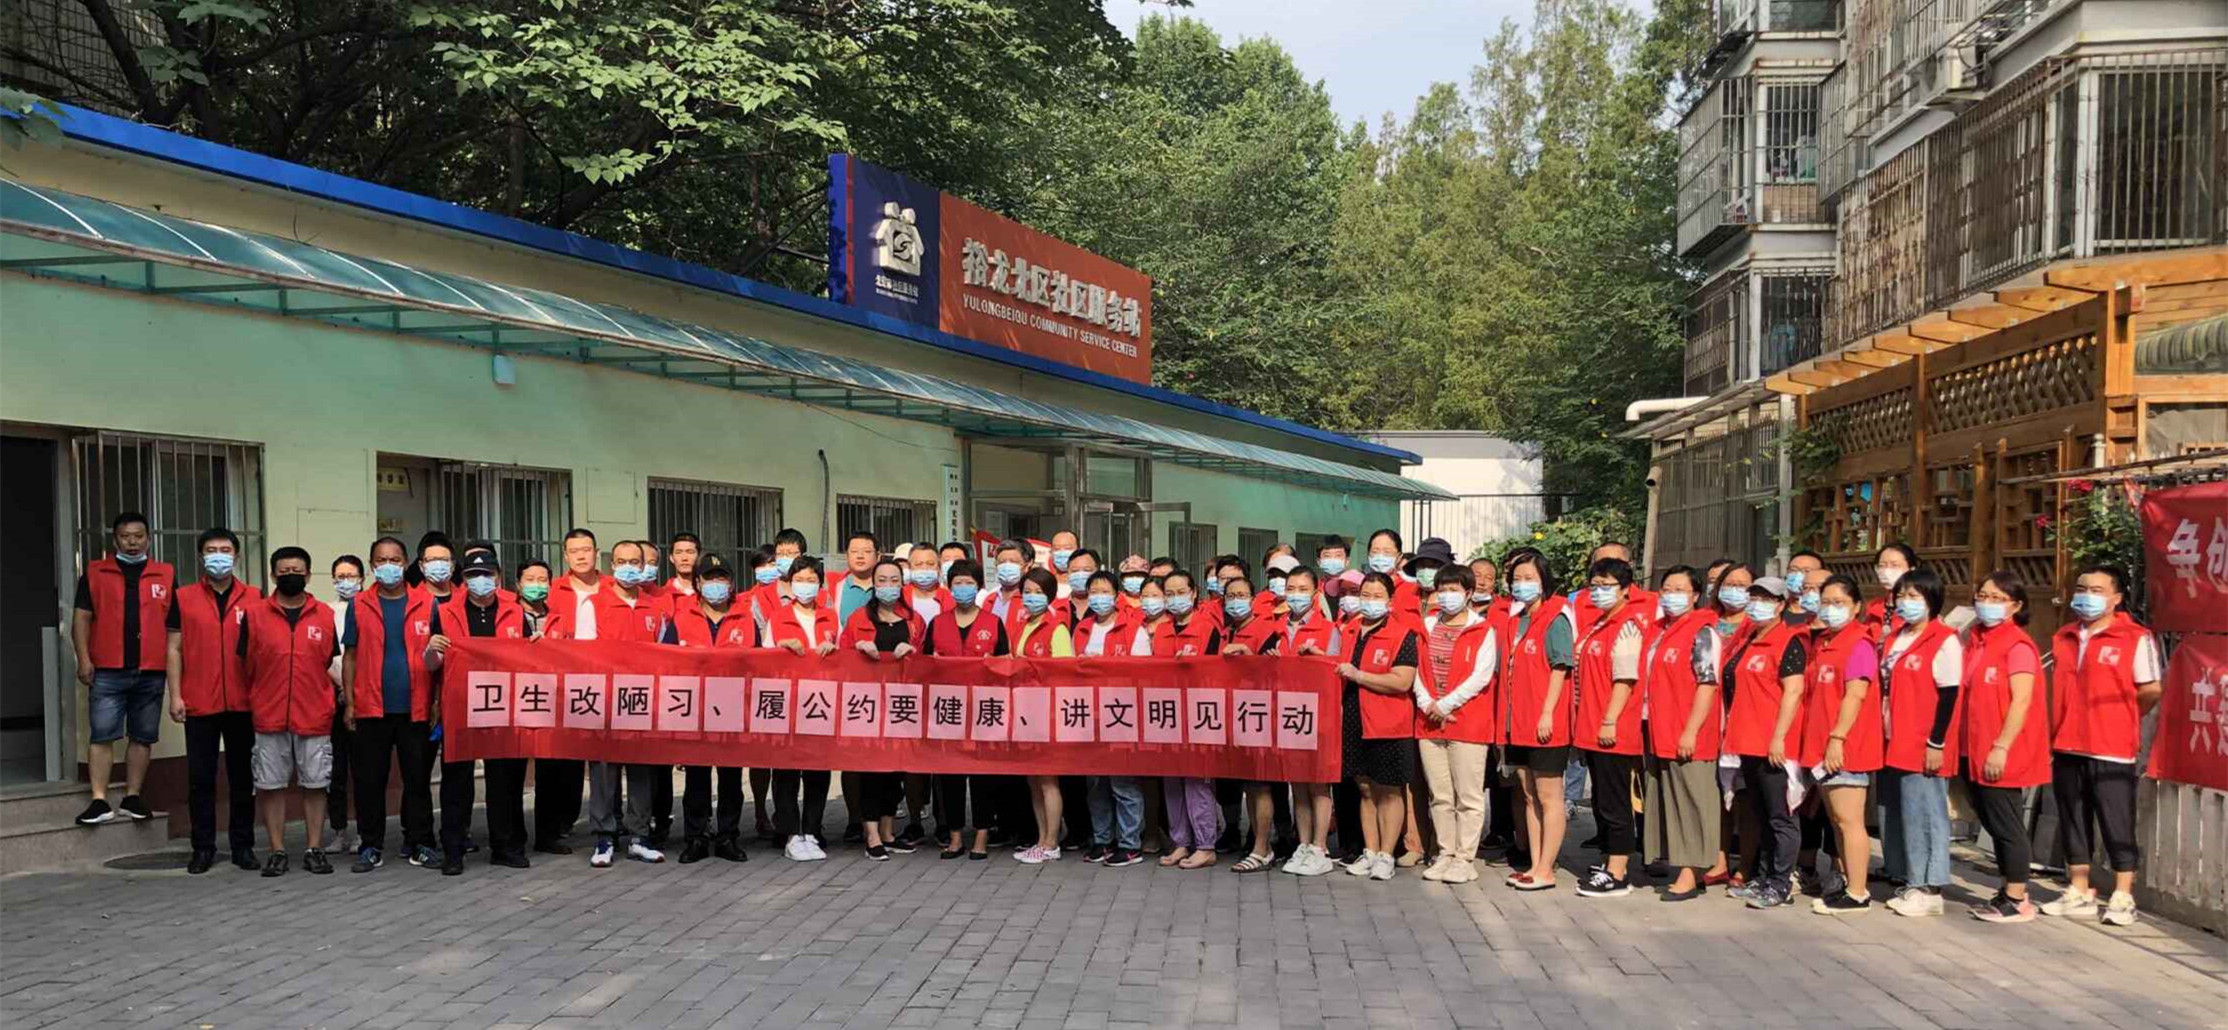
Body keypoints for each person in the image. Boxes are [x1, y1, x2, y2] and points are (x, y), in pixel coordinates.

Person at [2042, 564, 2159, 928]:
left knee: (2115, 820)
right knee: (2073, 819)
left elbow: (2151, 689)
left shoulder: (2135, 637)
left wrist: (2122, 717)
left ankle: (2123, 895)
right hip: (2067, 743)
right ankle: (2079, 889)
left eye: (2096, 590)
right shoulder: (2064, 636)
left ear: (2116, 598)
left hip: (2111, 747)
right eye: (2082, 589)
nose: (2086, 596)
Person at [543, 537, 670, 868]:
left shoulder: (654, 608)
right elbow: (585, 654)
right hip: (605, 700)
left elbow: (666, 655)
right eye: (621, 562)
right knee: (603, 771)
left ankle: (639, 836)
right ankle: (604, 837)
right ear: (612, 565)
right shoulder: (594, 604)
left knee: (642, 770)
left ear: (644, 566)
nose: (628, 568)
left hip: (641, 701)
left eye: (635, 562)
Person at [424, 550, 531, 874]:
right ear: (464, 579)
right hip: (460, 704)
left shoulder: (515, 612)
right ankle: (453, 851)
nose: (480, 580)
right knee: (457, 782)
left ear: (497, 577)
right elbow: (432, 663)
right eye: (472, 575)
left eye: (486, 574)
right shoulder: (445, 612)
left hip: (503, 706)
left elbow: (529, 659)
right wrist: (432, 650)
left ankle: (505, 846)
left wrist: (536, 646)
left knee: (504, 781)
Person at [238, 546, 340, 876]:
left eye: (297, 571)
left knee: (316, 784)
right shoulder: (254, 615)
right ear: (273, 575)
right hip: (269, 714)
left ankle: (314, 848)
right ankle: (277, 850)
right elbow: (246, 664)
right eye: (284, 571)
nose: (290, 576)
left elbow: (327, 660)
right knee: (270, 786)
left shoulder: (324, 615)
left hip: (314, 714)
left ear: (308, 575)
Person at [165, 526, 261, 873]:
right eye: (211, 550)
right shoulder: (183, 597)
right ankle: (203, 847)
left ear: (236, 556)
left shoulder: (255, 597)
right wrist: (176, 695)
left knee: (243, 778)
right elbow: (174, 649)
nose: (218, 556)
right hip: (199, 701)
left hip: (243, 702)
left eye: (225, 550)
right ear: (201, 557)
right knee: (201, 779)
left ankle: (243, 846)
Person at [340, 536, 437, 872]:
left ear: (406, 563)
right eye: (381, 560)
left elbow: (439, 656)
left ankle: (421, 843)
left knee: (418, 781)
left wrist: (436, 701)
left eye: (395, 560)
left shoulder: (427, 603)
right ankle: (371, 845)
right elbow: (350, 656)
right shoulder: (359, 604)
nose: (388, 566)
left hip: (416, 707)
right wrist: (350, 702)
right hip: (371, 708)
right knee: (370, 782)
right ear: (371, 566)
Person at [71, 512, 172, 828]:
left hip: (151, 669)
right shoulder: (95, 573)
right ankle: (99, 799)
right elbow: (81, 619)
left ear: (148, 539)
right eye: (125, 536)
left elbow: (175, 628)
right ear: (115, 540)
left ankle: (132, 796)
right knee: (102, 734)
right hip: (107, 669)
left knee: (142, 736)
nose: (132, 542)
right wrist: (84, 659)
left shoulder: (165, 574)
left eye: (138, 536)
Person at [1960, 569, 2046, 923]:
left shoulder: (2017, 645)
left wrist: (2002, 746)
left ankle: (2017, 896)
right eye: (1983, 595)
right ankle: (2007, 887)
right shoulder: (1976, 640)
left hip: (1999, 749)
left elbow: (2021, 701)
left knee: (2007, 823)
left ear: (2016, 605)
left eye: (1997, 598)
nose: (1987, 603)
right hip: (1972, 746)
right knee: (1992, 821)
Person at [1876, 567, 1961, 917]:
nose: (1905, 602)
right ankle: (1906, 876)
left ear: (1931, 600)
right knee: (1895, 811)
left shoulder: (1944, 639)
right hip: (1890, 737)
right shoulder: (1895, 637)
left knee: (1924, 812)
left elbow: (1950, 694)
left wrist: (1936, 742)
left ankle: (1929, 886)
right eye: (1901, 595)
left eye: (1914, 596)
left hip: (1922, 740)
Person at [1720, 576, 1808, 910]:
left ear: (1782, 604)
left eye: (1767, 598)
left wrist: (1779, 737)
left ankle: (1781, 882)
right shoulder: (1749, 637)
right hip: (1746, 739)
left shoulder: (1788, 641)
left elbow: (1794, 691)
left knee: (1780, 815)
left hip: (1773, 743)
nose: (1757, 604)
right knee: (1760, 813)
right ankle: (1763, 876)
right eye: (1754, 597)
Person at [660, 554, 754, 864]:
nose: (716, 585)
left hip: (732, 709)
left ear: (731, 583)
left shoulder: (745, 617)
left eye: (721, 578)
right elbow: (666, 660)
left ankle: (728, 836)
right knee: (696, 778)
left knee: (731, 778)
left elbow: (761, 663)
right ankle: (696, 837)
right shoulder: (682, 617)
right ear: (698, 583)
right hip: (695, 710)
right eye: (709, 578)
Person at [1799, 574, 1883, 914]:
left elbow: (1856, 694)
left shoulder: (1859, 644)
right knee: (1836, 820)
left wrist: (1838, 737)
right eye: (1826, 602)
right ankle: (1848, 883)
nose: (1831, 608)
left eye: (1839, 603)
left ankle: (1858, 892)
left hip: (1846, 745)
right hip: (1821, 745)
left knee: (1849, 821)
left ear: (1856, 606)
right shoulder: (1825, 642)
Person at [1492, 551, 1574, 891]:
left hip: (1544, 722)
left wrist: (1547, 712)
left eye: (1529, 578)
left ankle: (1547, 868)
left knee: (1548, 794)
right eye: (1517, 579)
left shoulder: (1555, 618)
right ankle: (1534, 862)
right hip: (1517, 722)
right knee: (1528, 794)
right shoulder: (1516, 620)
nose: (1521, 584)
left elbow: (1560, 668)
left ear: (1544, 581)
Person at [1641, 566, 1721, 901]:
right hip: (1658, 727)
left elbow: (1707, 683)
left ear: (1695, 595)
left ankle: (1693, 871)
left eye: (1679, 589)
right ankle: (1681, 865)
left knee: (1693, 799)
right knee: (1669, 800)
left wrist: (1691, 730)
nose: (1671, 595)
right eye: (1666, 589)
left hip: (1687, 731)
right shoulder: (1661, 630)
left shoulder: (1702, 632)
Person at [1572, 557, 1651, 898]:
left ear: (1625, 590)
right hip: (1591, 725)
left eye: (1607, 586)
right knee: (1602, 799)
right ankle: (1608, 861)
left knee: (1615, 801)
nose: (1599, 591)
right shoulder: (1599, 623)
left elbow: (1625, 679)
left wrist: (1610, 720)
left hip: (1613, 728)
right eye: (1595, 585)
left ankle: (1618, 872)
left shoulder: (1627, 626)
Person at [1337, 572, 1421, 882]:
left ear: (1390, 600)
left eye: (1377, 596)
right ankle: (1370, 851)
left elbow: (1402, 681)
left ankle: (1387, 854)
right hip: (1353, 719)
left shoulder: (1402, 634)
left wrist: (1359, 675)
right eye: (1365, 595)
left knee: (1388, 790)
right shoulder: (1349, 630)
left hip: (1388, 723)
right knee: (1364, 788)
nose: (1370, 601)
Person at [1414, 564, 1495, 885]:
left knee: (1469, 796)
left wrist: (1445, 704)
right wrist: (1427, 703)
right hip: (1429, 722)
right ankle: (1445, 853)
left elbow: (1481, 676)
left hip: (1467, 722)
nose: (1447, 596)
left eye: (1454, 590)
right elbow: (1418, 669)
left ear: (1469, 593)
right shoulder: (1427, 625)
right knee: (1440, 795)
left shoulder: (1483, 630)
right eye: (1442, 590)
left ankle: (1464, 858)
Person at [841, 557, 924, 860]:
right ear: (873, 585)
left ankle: (888, 832)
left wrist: (912, 652)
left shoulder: (914, 620)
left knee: (895, 770)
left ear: (902, 584)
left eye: (894, 580)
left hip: (902, 706)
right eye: (882, 581)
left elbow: (928, 661)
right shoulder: (858, 618)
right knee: (872, 771)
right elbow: (840, 658)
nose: (888, 586)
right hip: (868, 707)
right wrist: (857, 649)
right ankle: (872, 835)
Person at [924, 560, 1007, 860]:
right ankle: (956, 836)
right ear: (949, 587)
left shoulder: (993, 622)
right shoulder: (938, 623)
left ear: (979, 586)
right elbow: (923, 666)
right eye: (957, 583)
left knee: (983, 777)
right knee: (951, 777)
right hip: (948, 711)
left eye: (969, 583)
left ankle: (982, 835)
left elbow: (1006, 663)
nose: (963, 589)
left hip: (983, 710)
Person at [531, 532, 603, 855]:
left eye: (586, 549)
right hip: (558, 685)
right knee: (556, 758)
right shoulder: (553, 589)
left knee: (600, 757)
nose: (581, 556)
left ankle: (602, 822)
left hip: (603, 682)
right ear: (565, 556)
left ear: (596, 552)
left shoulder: (611, 587)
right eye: (574, 551)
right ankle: (553, 826)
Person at [765, 556, 840, 860]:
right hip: (788, 703)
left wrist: (835, 651)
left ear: (820, 585)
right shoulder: (778, 617)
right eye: (799, 579)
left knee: (818, 771)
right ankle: (790, 833)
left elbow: (844, 655)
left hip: (821, 702)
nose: (805, 585)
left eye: (811, 580)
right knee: (786, 772)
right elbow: (765, 660)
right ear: (790, 582)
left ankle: (811, 830)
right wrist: (782, 650)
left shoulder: (830, 616)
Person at [1074, 570, 1146, 867]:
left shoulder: (1133, 628)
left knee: (1123, 782)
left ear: (1117, 595)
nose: (1098, 597)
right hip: (1089, 713)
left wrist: (1103, 666)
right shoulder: (1082, 628)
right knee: (1095, 783)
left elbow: (1143, 671)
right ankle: (1102, 839)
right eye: (1094, 591)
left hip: (1121, 713)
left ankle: (1130, 844)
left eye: (1104, 591)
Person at [1217, 573, 1285, 873]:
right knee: (1248, 785)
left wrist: (1249, 656)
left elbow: (1275, 671)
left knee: (1261, 784)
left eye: (1241, 595)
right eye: (1230, 596)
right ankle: (1257, 844)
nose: (1236, 601)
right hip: (1232, 714)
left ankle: (1262, 847)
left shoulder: (1268, 631)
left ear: (1254, 599)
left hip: (1260, 714)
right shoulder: (1225, 632)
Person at [1277, 567, 1342, 876]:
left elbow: (1337, 670)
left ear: (1315, 593)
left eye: (1303, 589)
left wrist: (1319, 657)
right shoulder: (1278, 628)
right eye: (1291, 588)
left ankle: (1320, 846)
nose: (1296, 594)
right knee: (1298, 784)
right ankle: (1303, 844)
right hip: (1288, 715)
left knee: (1318, 784)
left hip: (1319, 715)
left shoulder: (1329, 629)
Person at [1155, 570, 1222, 870]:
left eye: (1181, 592)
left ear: (1194, 593)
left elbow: (1216, 670)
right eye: (1169, 594)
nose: (1175, 598)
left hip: (1199, 713)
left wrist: (1191, 667)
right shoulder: (1161, 630)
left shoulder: (1208, 627)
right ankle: (1181, 841)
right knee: (1171, 780)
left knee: (1197, 780)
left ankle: (1206, 845)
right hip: (1167, 713)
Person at [1009, 567, 1074, 863]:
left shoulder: (1056, 627)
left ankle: (1051, 843)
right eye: (1027, 592)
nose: (1031, 597)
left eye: (1038, 592)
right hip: (1025, 710)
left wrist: (1031, 668)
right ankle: (1041, 838)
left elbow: (1065, 672)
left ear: (1049, 596)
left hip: (1046, 712)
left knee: (1048, 780)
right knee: (1033, 780)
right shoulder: (1024, 624)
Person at [322, 555, 365, 857]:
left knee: (363, 770)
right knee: (334, 770)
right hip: (332, 698)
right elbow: (323, 654)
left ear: (362, 578)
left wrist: (354, 691)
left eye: (351, 576)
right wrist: (340, 687)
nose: (346, 581)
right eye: (340, 576)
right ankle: (338, 831)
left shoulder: (368, 608)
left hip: (363, 699)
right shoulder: (325, 611)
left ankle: (365, 830)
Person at [1864, 543, 1919, 644]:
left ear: (1911, 569)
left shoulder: (1918, 608)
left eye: (1895, 565)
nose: (1887, 570)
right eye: (1882, 566)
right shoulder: (1873, 607)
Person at [1784, 550, 1826, 625]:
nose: (1798, 575)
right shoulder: (1775, 611)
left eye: (1807, 571)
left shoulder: (1827, 615)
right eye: (1793, 570)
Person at [1315, 535, 1352, 603]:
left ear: (1347, 561)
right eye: (1327, 556)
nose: (1333, 559)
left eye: (1338, 555)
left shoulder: (1355, 586)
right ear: (1319, 562)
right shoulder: (1315, 587)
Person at [665, 532, 702, 598]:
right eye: (678, 552)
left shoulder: (708, 596)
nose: (684, 558)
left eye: (690, 552)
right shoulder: (662, 595)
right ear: (671, 558)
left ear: (699, 556)